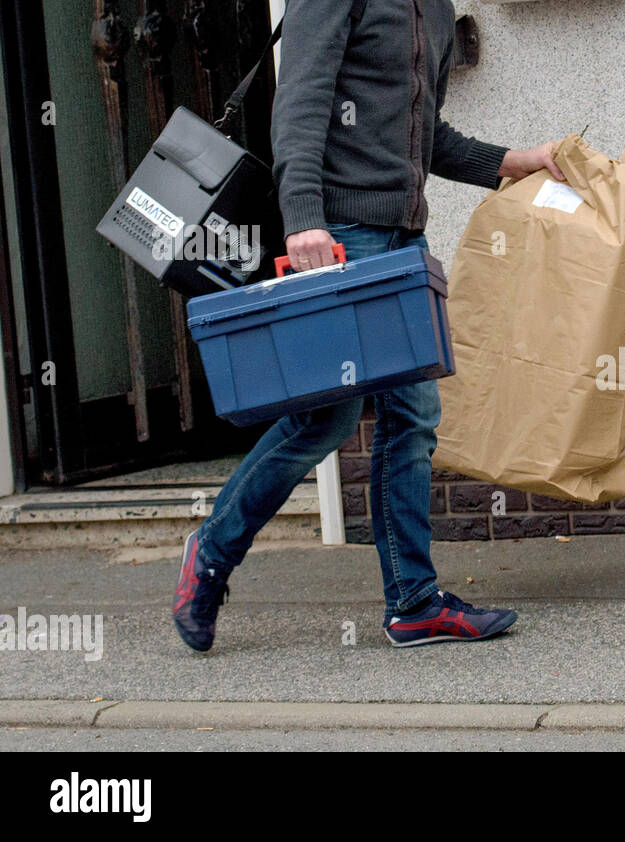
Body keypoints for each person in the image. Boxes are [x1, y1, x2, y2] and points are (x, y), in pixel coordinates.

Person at [172, 0, 565, 652]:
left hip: (402, 239)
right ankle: (212, 555)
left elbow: (424, 135)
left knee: (410, 415)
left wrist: (512, 160)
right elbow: (297, 106)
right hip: (338, 233)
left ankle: (412, 602)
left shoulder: (434, 12)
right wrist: (302, 217)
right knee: (325, 418)